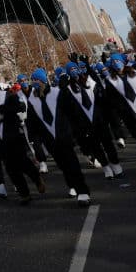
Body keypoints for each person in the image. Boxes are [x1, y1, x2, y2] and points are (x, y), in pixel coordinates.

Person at [25, 69, 93, 207]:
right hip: (49, 140)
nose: (34, 83)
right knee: (63, 166)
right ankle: (72, 185)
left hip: (64, 136)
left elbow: (72, 111)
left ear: (43, 81)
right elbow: (32, 122)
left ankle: (83, 192)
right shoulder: (32, 100)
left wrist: (79, 129)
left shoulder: (58, 93)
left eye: (37, 80)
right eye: (33, 80)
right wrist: (34, 141)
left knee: (72, 163)